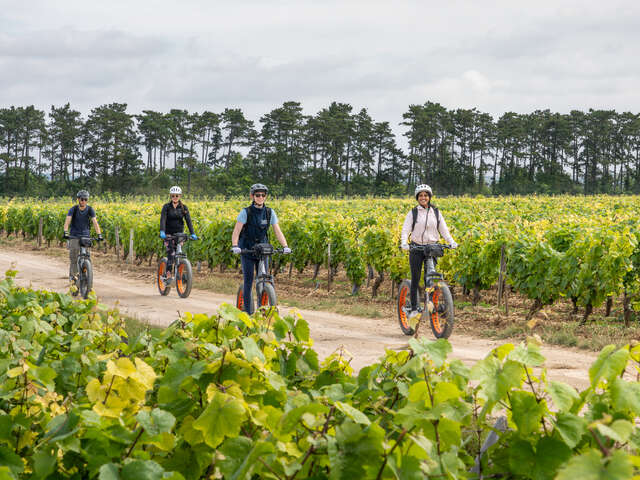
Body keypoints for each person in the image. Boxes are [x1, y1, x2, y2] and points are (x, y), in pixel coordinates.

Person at [231, 183, 291, 314]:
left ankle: (262, 309)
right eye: (257, 195)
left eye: (263, 195)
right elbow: (236, 231)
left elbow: (277, 231)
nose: (260, 197)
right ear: (252, 196)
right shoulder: (245, 212)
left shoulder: (270, 212)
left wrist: (285, 246)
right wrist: (235, 246)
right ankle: (248, 313)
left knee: (263, 279)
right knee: (248, 281)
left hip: (262, 250)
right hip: (247, 249)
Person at [400, 184, 458, 316]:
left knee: (430, 277)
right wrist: (404, 242)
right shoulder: (413, 213)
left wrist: (451, 241)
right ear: (417, 198)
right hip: (416, 248)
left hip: (432, 248)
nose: (423, 197)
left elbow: (444, 230)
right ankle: (414, 308)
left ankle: (431, 305)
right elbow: (406, 230)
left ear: (429, 197)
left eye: (426, 195)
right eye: (421, 195)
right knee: (416, 278)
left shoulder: (436, 212)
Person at [159, 186, 197, 283]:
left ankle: (179, 272)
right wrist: (162, 231)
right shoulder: (166, 207)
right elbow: (163, 219)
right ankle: (167, 276)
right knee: (171, 254)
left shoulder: (184, 208)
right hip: (168, 234)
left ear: (180, 196)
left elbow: (188, 221)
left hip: (179, 234)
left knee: (179, 253)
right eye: (173, 195)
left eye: (177, 195)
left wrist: (192, 233)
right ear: (170, 196)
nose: (175, 197)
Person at [63, 190, 103, 283]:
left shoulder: (90, 209)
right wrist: (65, 231)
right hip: (74, 236)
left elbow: (95, 222)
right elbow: (68, 220)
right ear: (78, 199)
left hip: (86, 236)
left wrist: (99, 234)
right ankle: (73, 278)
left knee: (87, 256)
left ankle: (86, 273)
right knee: (74, 257)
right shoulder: (73, 209)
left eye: (86, 199)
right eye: (82, 199)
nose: (84, 201)